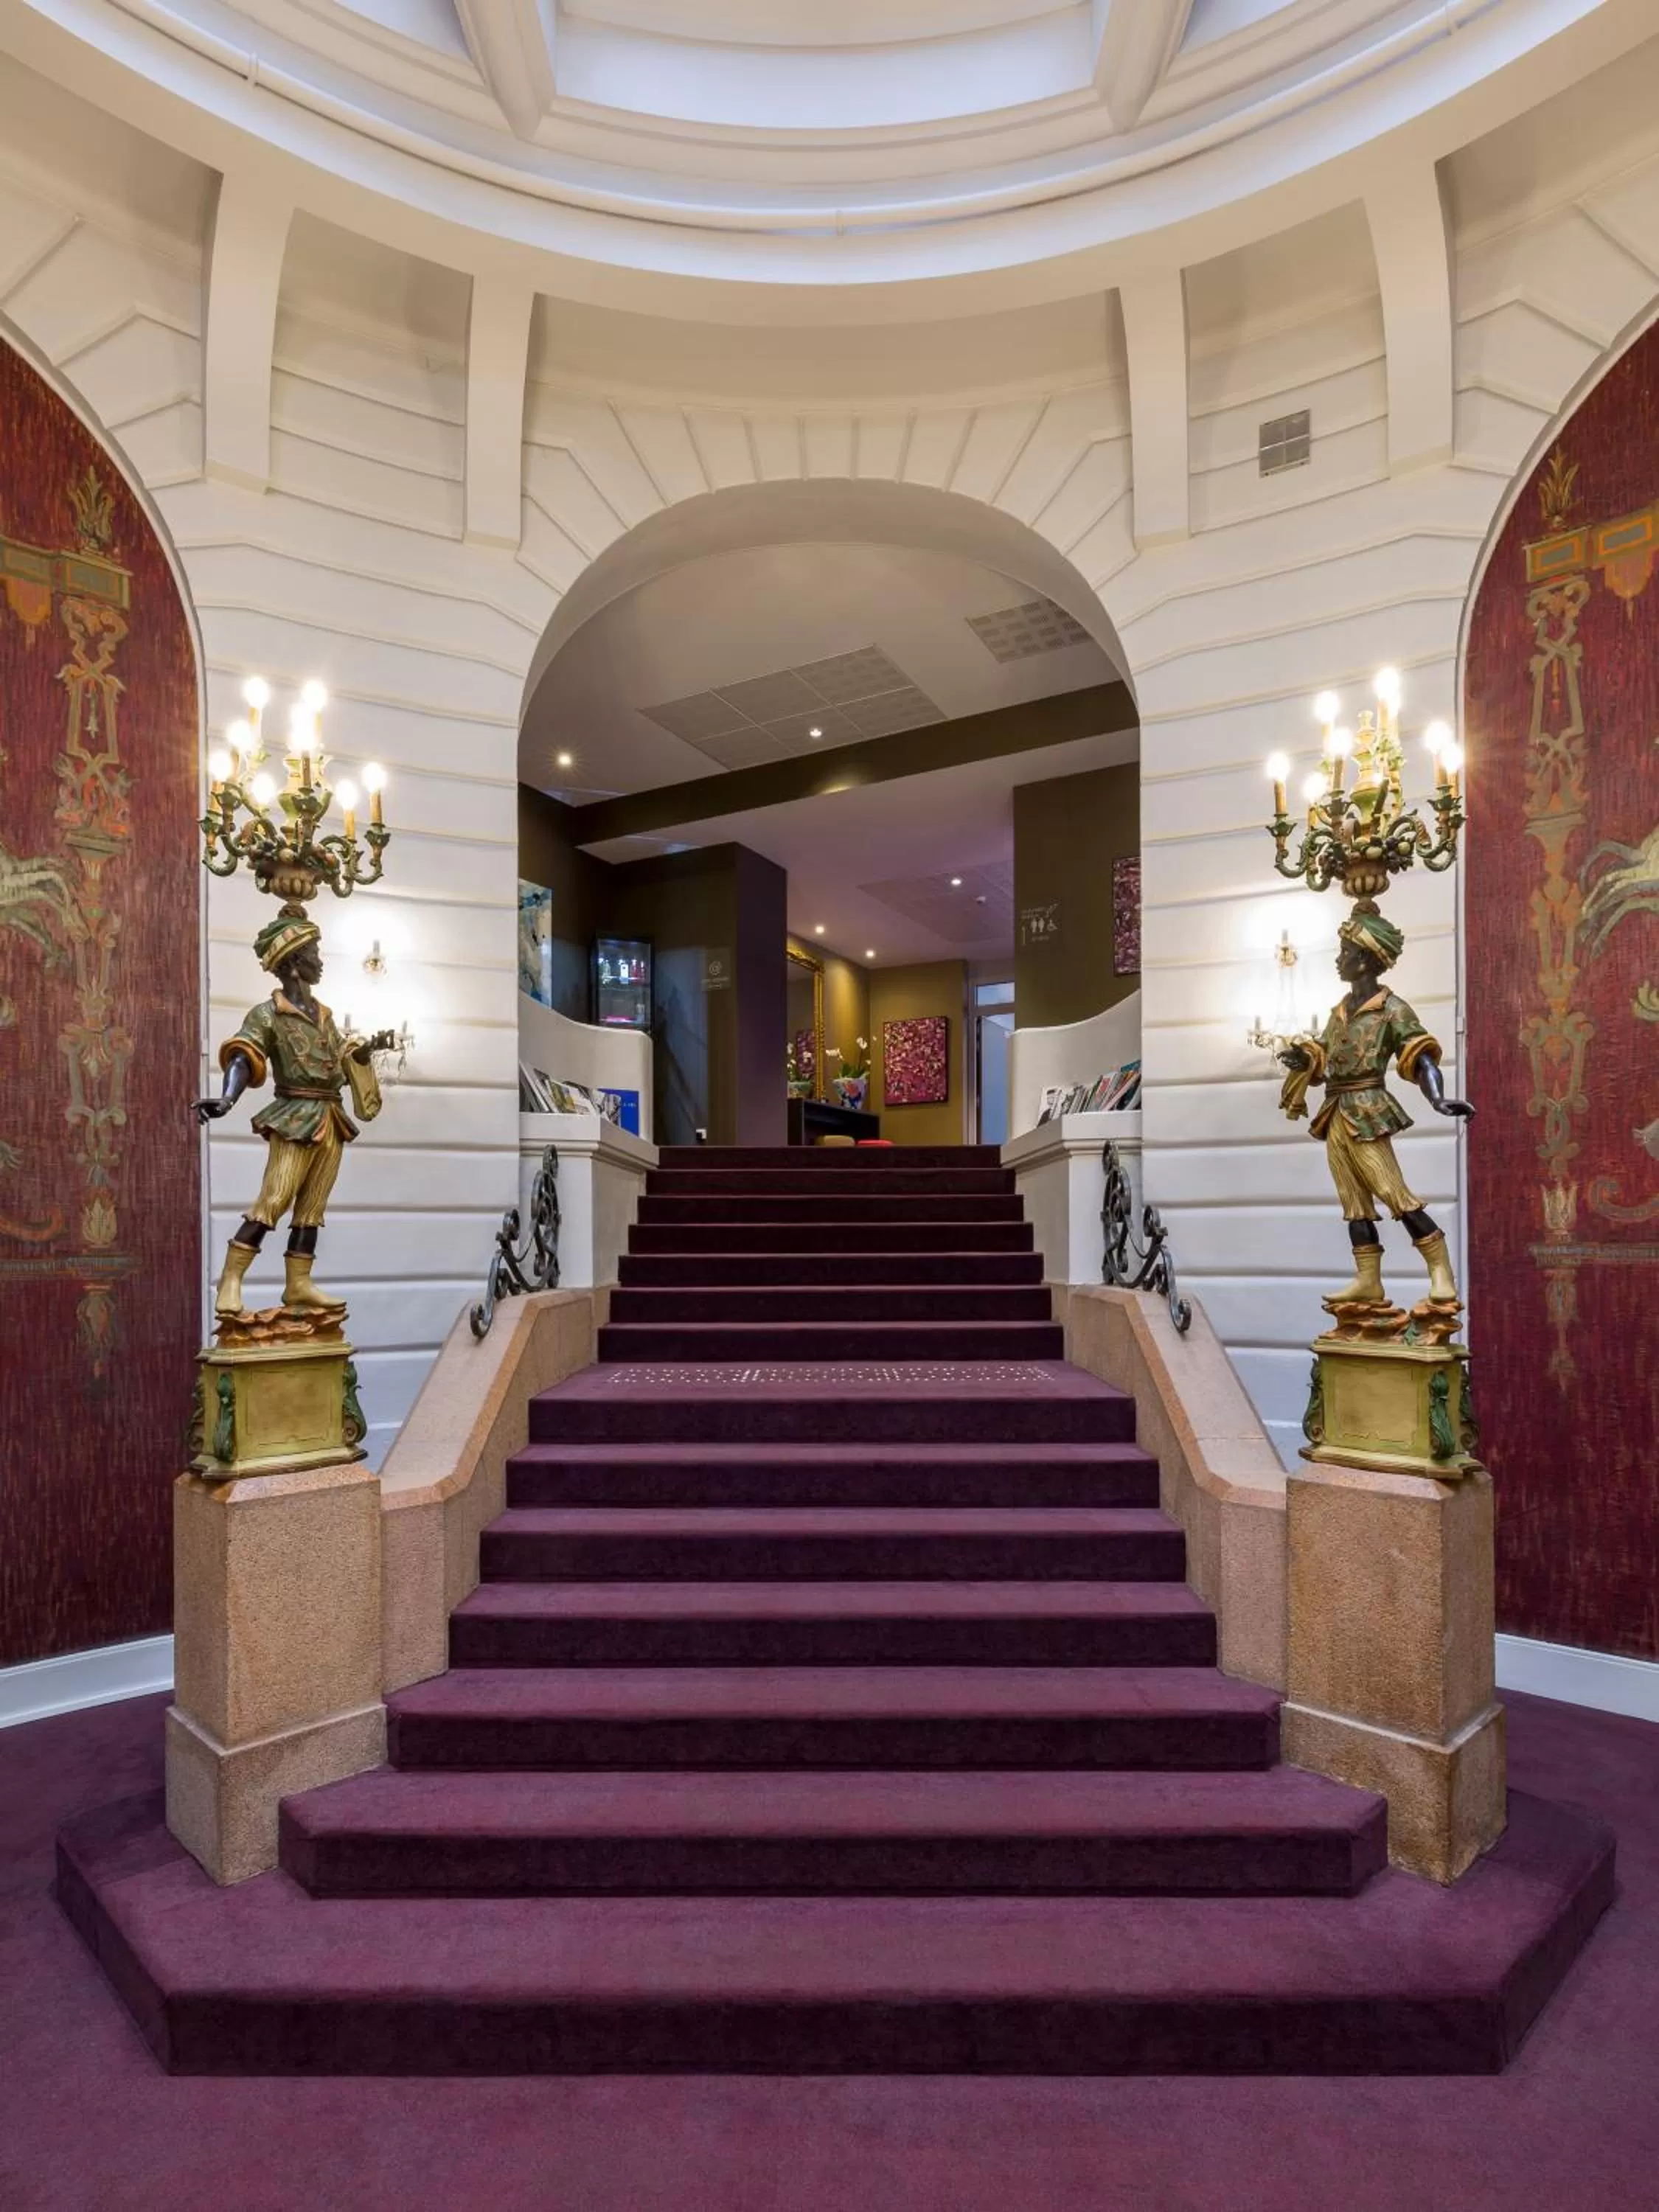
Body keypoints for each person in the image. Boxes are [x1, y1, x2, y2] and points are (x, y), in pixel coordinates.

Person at [194, 905, 392, 1318]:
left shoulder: (324, 1015)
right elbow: (244, 1056)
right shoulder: (267, 1015)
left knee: (312, 1207)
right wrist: (227, 1099)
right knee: (274, 1198)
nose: (321, 961)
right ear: (295, 964)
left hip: (330, 1118)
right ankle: (231, 1280)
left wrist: (367, 1050)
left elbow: (337, 1061)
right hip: (295, 1115)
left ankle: (298, 1284)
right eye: (314, 954)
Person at [1278, 902, 1474, 1308]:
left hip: (1367, 1109)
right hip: (1335, 1111)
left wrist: (1437, 1098)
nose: (1338, 960)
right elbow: (1325, 1054)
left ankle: (1441, 1272)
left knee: (1393, 1191)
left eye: (1345, 953)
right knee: (1353, 1201)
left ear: (1366, 961)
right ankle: (1369, 1280)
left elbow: (1419, 1057)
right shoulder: (1340, 1011)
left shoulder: (1393, 1010)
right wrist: (1304, 1059)